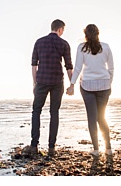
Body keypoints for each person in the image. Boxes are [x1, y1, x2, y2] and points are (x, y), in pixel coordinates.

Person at [66, 24, 114, 162]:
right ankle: (108, 149)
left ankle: (96, 150)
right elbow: (111, 68)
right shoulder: (106, 47)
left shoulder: (82, 47)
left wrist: (72, 85)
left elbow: (78, 68)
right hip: (104, 85)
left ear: (86, 34)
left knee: (92, 118)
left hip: (87, 86)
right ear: (98, 33)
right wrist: (109, 83)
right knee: (102, 117)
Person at [29, 19, 73, 156]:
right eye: (63, 31)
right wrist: (72, 84)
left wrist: (35, 83)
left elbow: (33, 64)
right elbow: (69, 66)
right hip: (57, 82)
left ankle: (34, 145)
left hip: (41, 80)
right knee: (54, 112)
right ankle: (51, 148)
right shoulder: (64, 43)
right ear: (60, 29)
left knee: (36, 111)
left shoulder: (39, 42)